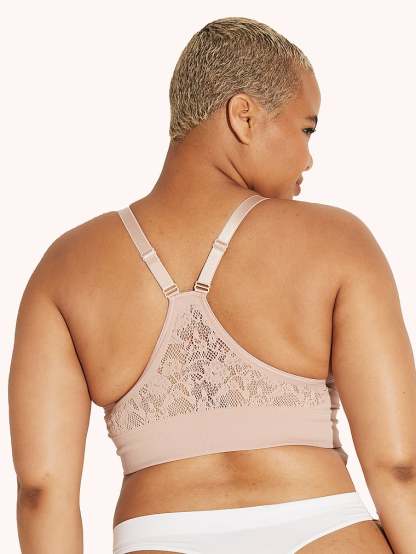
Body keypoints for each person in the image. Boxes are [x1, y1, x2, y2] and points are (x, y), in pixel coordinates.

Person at [9, 16, 415, 554]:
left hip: (158, 536)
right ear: (244, 116)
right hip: (328, 531)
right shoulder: (339, 240)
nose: (309, 157)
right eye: (306, 129)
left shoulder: (66, 267)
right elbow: (398, 465)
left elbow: (41, 491)